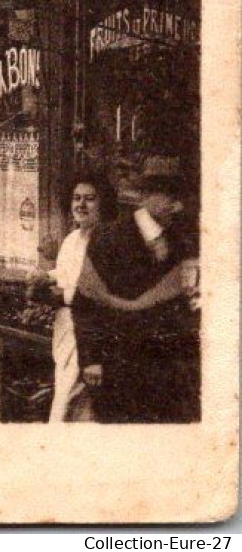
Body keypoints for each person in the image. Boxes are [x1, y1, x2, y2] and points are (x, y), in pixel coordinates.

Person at [73, 163, 199, 423]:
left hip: (166, 370)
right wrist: (91, 359)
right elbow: (85, 303)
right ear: (145, 196)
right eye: (171, 197)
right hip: (119, 365)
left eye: (179, 198)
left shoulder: (179, 240)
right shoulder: (108, 237)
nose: (178, 206)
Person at [33, 180, 113, 422]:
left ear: (102, 203)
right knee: (77, 404)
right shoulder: (71, 240)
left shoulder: (106, 242)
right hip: (66, 328)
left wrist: (62, 293)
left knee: (67, 402)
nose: (81, 204)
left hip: (89, 329)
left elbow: (97, 293)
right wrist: (45, 276)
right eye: (76, 198)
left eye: (89, 198)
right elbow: (65, 274)